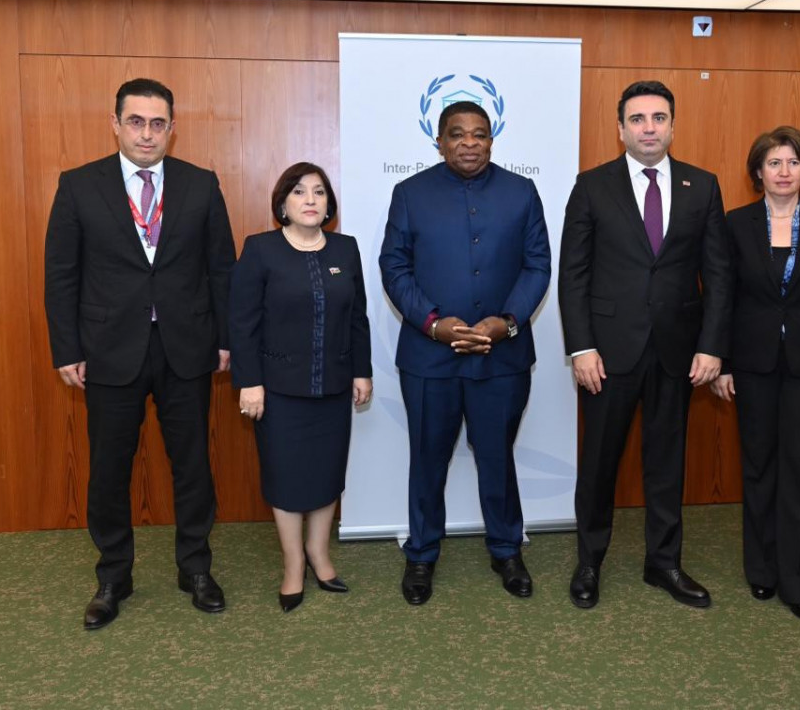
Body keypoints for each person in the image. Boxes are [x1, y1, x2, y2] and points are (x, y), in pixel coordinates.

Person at [44, 78, 236, 630]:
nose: (146, 133)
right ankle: (113, 576)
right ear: (116, 124)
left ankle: (195, 568)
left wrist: (225, 339)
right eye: (135, 121)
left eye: (157, 123)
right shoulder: (79, 185)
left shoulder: (201, 184)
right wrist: (67, 348)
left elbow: (221, 269)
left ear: (172, 128)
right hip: (108, 350)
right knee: (108, 470)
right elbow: (61, 273)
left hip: (186, 347)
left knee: (193, 465)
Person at [559, 80, 733, 610]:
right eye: (637, 119)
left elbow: (718, 275)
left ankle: (664, 563)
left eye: (659, 118)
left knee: (666, 462)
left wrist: (712, 346)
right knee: (599, 464)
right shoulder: (592, 186)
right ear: (621, 129)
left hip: (678, 352)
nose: (649, 128)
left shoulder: (702, 186)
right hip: (608, 354)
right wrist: (581, 348)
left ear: (673, 126)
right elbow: (573, 275)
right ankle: (589, 562)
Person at [380, 100, 551, 605]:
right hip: (428, 359)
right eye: (457, 134)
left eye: (479, 134)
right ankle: (421, 553)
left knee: (497, 456)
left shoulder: (521, 192)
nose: (469, 143)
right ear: (439, 142)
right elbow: (394, 268)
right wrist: (434, 324)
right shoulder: (410, 194)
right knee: (427, 460)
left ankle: (506, 549)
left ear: (492, 140)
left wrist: (507, 322)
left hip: (501, 358)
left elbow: (538, 265)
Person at [710, 126, 800, 622]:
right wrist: (722, 362)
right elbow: (723, 298)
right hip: (752, 365)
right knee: (759, 469)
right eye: (774, 163)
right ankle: (763, 570)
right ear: (758, 172)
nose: (784, 172)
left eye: (793, 162)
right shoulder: (735, 225)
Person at [229, 163, 373, 613]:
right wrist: (249, 382)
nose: (310, 200)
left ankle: (319, 554)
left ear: (329, 204)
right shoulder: (260, 250)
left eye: (319, 192)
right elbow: (243, 323)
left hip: (334, 387)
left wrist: (362, 371)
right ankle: (293, 564)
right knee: (287, 479)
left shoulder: (346, 249)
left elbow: (357, 317)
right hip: (278, 391)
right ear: (282, 204)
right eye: (298, 191)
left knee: (327, 475)